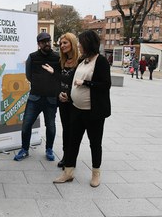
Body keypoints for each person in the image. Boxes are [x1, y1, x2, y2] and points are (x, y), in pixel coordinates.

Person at [53, 30, 111, 188]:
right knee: (73, 142)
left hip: (94, 113)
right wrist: (67, 96)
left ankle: (96, 174)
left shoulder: (101, 61)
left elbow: (106, 85)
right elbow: (73, 81)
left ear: (88, 44)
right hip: (76, 109)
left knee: (95, 143)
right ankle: (68, 173)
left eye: (81, 42)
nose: (79, 45)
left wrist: (86, 83)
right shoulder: (82, 60)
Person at [14, 32, 61, 162]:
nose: (46, 43)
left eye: (48, 41)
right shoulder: (32, 57)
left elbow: (59, 76)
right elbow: (28, 75)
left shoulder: (57, 57)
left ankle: (49, 149)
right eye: (43, 41)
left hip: (51, 99)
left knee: (50, 126)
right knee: (26, 124)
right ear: (39, 44)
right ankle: (24, 149)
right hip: (35, 98)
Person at [42, 33, 80, 168]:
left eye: (65, 43)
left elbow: (75, 82)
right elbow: (57, 81)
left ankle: (71, 159)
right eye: (61, 43)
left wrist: (68, 94)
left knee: (74, 131)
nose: (62, 46)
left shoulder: (80, 61)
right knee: (66, 130)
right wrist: (59, 94)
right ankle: (65, 156)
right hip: (62, 102)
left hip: (75, 102)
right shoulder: (61, 61)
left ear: (72, 44)